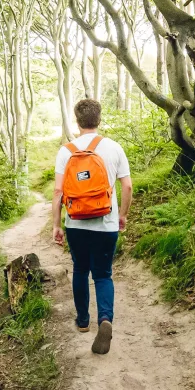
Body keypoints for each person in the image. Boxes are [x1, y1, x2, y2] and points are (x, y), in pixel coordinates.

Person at [51, 98, 132, 355]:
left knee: (80, 270)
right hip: (106, 223)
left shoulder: (66, 151)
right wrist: (123, 216)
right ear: (98, 119)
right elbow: (127, 186)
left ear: (77, 120)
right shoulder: (114, 147)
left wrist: (57, 225)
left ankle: (83, 321)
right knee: (103, 274)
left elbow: (57, 191)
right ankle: (105, 319)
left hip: (75, 223)